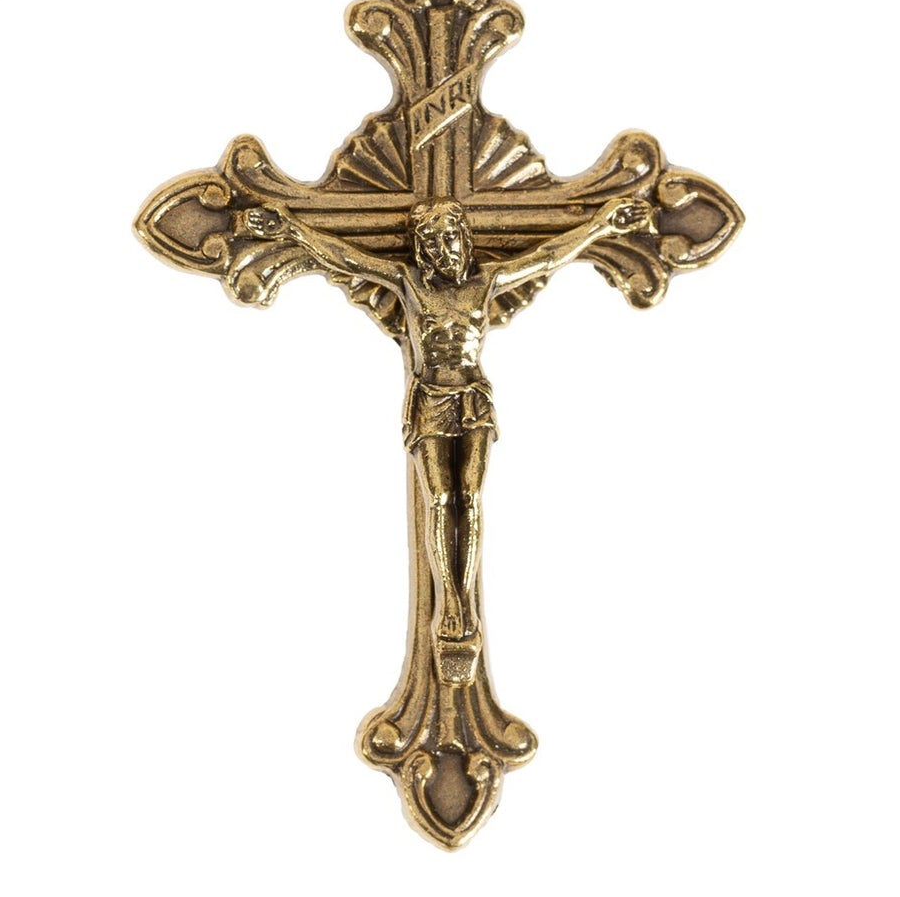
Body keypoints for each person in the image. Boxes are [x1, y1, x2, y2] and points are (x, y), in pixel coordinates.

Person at [239, 193, 654, 674]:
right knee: (439, 498)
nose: (444, 250)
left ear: (464, 238)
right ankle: (451, 601)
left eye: (450, 238)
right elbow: (347, 258)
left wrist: (602, 226)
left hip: (472, 397)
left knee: (470, 497)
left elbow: (546, 256)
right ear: (421, 248)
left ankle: (466, 602)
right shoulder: (409, 282)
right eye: (432, 242)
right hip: (431, 399)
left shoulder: (486, 281)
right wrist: (291, 229)